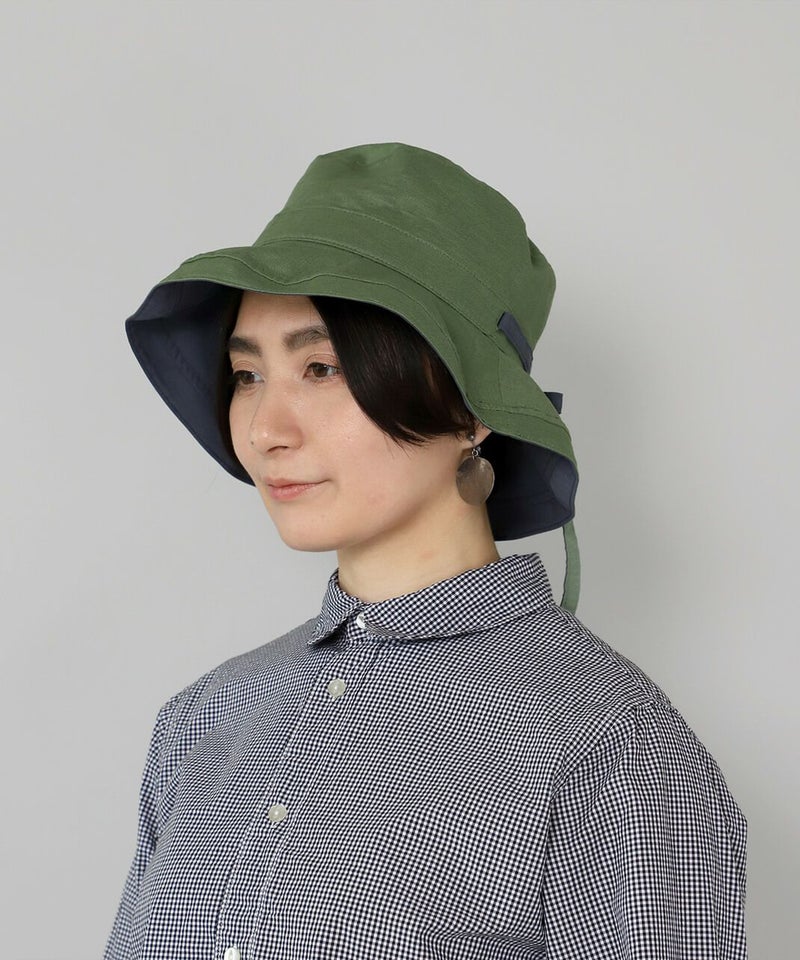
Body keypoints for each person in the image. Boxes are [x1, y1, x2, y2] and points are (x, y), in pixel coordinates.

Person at [104, 142, 748, 959]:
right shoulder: (206, 719)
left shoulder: (609, 745)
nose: (266, 431)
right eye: (247, 376)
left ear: (472, 408)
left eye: (322, 367)